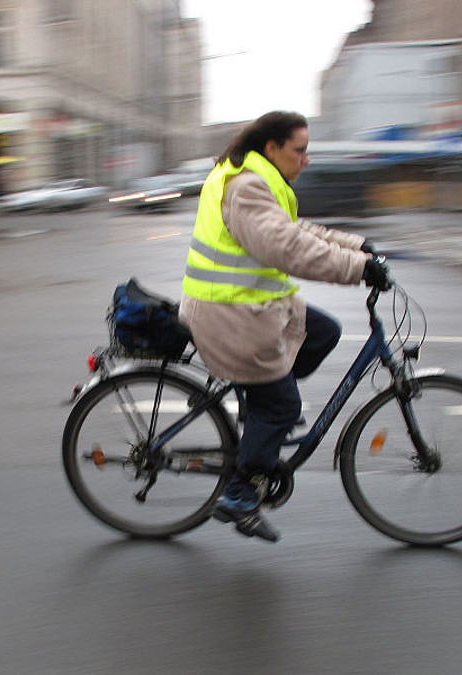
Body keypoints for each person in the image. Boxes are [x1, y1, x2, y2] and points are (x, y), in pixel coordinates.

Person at [179, 111, 391, 543]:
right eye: (300, 150)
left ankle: (259, 410)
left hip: (252, 308)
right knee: (282, 406)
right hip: (231, 315)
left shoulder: (257, 178)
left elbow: (295, 230)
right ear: (271, 148)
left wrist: (356, 246)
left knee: (325, 332)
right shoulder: (247, 187)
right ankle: (240, 495)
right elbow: (289, 249)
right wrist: (359, 270)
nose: (306, 159)